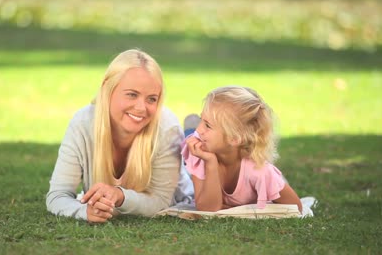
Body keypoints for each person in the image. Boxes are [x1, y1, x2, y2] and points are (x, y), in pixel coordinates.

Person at [46, 49, 192, 223]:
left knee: (199, 157)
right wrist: (84, 211)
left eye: (151, 99)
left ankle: (193, 132)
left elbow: (161, 201)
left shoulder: (167, 128)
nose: (141, 108)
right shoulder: (83, 124)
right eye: (132, 94)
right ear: (107, 88)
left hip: (182, 195)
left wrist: (120, 196)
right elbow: (58, 195)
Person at [182, 86, 302, 213]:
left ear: (234, 138)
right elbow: (206, 208)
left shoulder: (260, 172)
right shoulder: (199, 152)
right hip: (202, 144)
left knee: (273, 179)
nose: (199, 129)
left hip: (252, 164)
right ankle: (190, 127)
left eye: (207, 125)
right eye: (202, 121)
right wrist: (210, 162)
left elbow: (296, 208)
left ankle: (192, 124)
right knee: (188, 140)